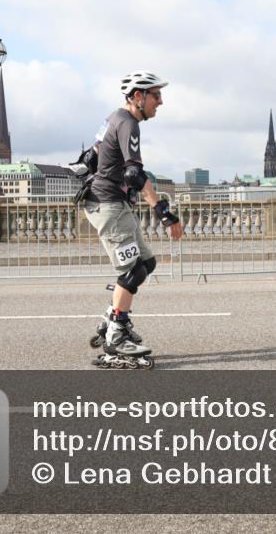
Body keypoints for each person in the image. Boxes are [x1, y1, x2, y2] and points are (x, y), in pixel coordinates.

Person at [84, 71, 184, 368]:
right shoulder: (128, 123)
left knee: (146, 263)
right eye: (156, 95)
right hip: (109, 205)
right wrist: (162, 212)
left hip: (113, 202)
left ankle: (113, 317)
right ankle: (116, 335)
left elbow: (92, 157)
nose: (161, 101)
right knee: (133, 270)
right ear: (137, 96)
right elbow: (134, 174)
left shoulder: (113, 118)